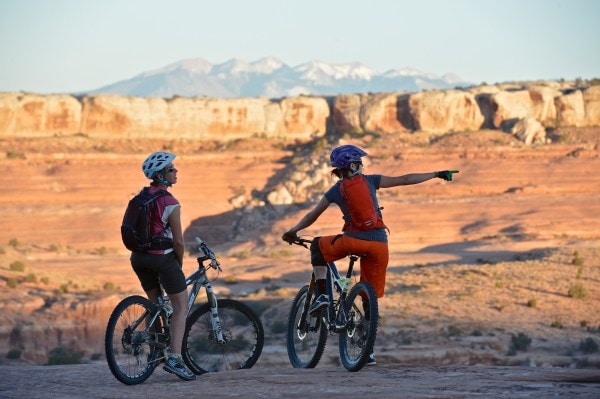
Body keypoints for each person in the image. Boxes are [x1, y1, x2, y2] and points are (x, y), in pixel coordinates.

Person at [282, 144, 458, 365]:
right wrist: (437, 174)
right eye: (360, 162)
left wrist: (293, 231)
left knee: (317, 246)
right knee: (369, 296)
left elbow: (312, 216)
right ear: (353, 165)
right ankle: (369, 351)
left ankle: (324, 296)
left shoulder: (336, 190)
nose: (363, 166)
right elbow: (404, 179)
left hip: (352, 241)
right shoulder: (371, 181)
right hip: (379, 246)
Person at [129, 151, 196, 381]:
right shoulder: (170, 202)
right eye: (171, 169)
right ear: (161, 175)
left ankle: (155, 351)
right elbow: (178, 241)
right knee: (180, 307)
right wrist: (178, 263)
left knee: (154, 303)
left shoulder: (141, 197)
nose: (176, 172)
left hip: (138, 258)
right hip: (161, 258)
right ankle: (175, 360)